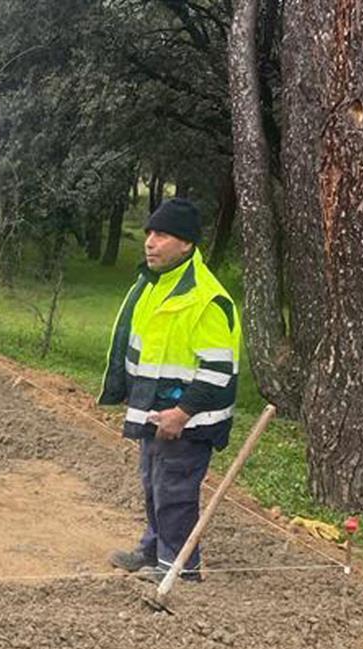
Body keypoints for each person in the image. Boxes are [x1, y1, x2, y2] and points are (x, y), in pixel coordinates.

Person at [100, 198, 241, 582]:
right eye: (148, 232)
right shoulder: (153, 286)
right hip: (155, 411)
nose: (150, 242)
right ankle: (153, 551)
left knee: (175, 492)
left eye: (161, 235)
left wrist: (182, 414)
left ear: (186, 244)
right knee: (153, 484)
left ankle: (178, 569)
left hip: (189, 421)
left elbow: (217, 371)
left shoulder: (206, 299)